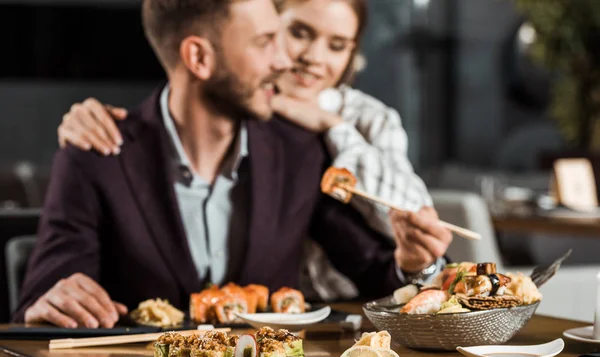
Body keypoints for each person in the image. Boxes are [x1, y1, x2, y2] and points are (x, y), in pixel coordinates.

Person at [15, 0, 452, 328]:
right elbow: (42, 292)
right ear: (199, 58)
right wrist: (53, 298)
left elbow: (376, 272)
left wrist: (415, 264)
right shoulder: (95, 153)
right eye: (265, 43)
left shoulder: (299, 152)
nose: (284, 61)